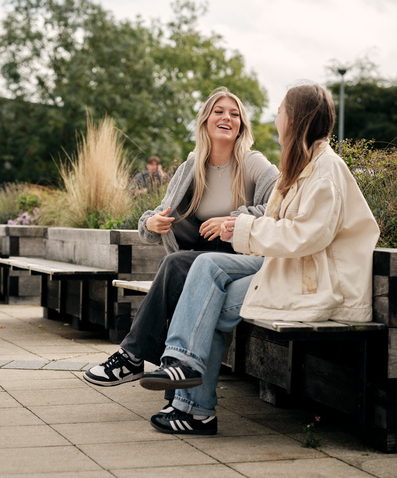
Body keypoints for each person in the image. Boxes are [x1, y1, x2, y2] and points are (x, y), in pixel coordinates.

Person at [138, 83, 380, 436]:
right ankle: (188, 385)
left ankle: (192, 400)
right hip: (286, 266)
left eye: (280, 111)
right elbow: (278, 223)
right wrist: (244, 227)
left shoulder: (327, 169)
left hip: (316, 278)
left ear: (295, 119)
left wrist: (240, 227)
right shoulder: (301, 166)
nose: (276, 117)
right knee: (209, 284)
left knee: (209, 284)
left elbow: (307, 235)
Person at [84, 87, 279, 388]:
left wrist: (234, 220)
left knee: (175, 266)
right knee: (177, 268)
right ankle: (172, 386)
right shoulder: (191, 167)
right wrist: (151, 222)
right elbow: (156, 216)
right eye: (219, 111)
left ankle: (131, 357)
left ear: (241, 125)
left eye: (235, 113)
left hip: (237, 255)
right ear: (205, 120)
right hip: (197, 255)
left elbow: (280, 207)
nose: (227, 117)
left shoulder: (253, 163)